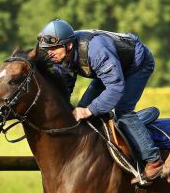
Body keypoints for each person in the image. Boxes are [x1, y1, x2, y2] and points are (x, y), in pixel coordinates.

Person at [37, 19, 163, 183]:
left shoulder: (96, 51)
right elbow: (65, 89)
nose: (49, 53)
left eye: (53, 48)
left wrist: (89, 110)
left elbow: (116, 88)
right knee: (82, 108)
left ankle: (154, 161)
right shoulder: (61, 57)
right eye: (46, 50)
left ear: (68, 46)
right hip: (110, 69)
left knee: (122, 111)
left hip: (136, 65)